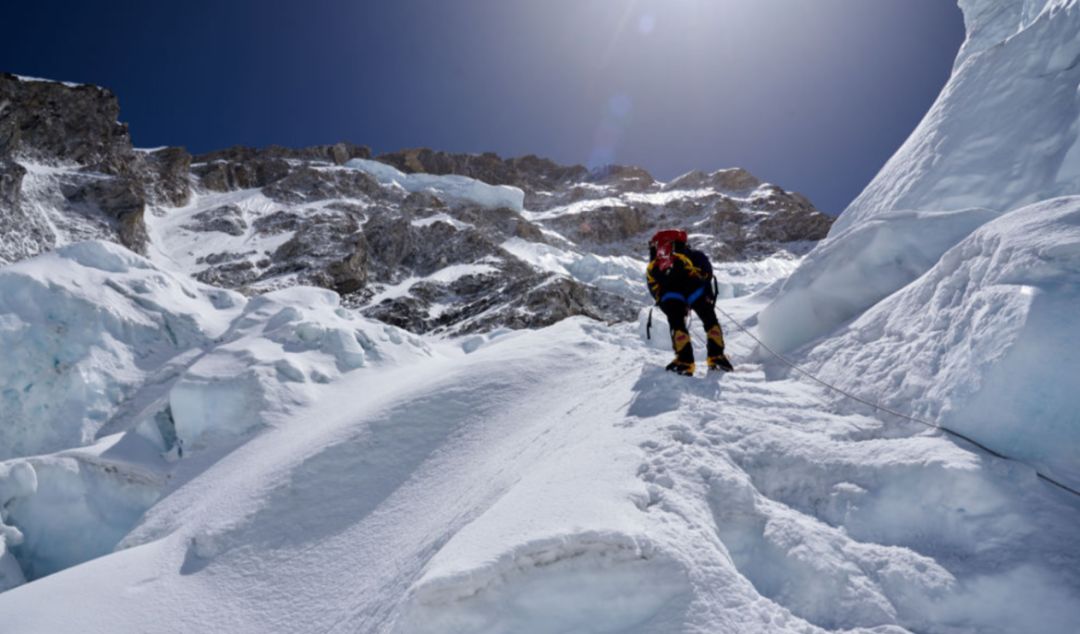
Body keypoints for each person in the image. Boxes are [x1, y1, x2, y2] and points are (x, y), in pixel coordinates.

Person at [646, 229, 734, 375]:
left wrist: (663, 302)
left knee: (677, 324)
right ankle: (716, 357)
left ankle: (685, 362)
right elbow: (707, 273)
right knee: (710, 321)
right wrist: (707, 294)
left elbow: (653, 286)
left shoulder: (656, 263)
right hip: (696, 290)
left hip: (671, 295)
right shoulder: (695, 256)